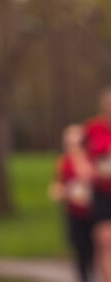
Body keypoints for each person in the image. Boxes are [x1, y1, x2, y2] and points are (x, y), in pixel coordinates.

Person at [50, 124, 94, 282]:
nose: (73, 146)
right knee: (80, 250)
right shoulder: (62, 161)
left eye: (77, 142)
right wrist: (62, 192)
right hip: (73, 212)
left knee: (93, 250)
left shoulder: (91, 158)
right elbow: (57, 185)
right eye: (70, 143)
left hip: (94, 211)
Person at [85, 88, 111, 282]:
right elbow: (76, 154)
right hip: (101, 192)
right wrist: (90, 171)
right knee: (104, 240)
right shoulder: (92, 128)